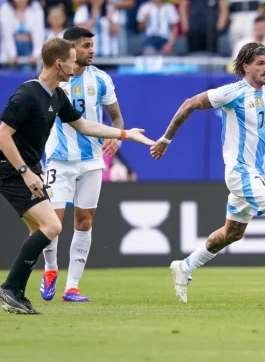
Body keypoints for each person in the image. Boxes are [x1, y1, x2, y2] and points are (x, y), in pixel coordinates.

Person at [150, 42, 265, 305]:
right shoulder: (233, 93)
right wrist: (166, 139)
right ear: (246, 66)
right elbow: (190, 103)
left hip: (255, 174)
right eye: (260, 63)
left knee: (232, 233)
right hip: (240, 173)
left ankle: (185, 266)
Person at [0, 38, 154, 315]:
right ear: (59, 63)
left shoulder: (57, 95)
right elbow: (2, 135)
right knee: (52, 226)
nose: (75, 64)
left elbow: (83, 125)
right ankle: (11, 288)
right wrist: (25, 173)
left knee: (40, 228)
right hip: (11, 169)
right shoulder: (27, 94)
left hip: (29, 168)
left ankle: (15, 291)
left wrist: (125, 134)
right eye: (71, 60)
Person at [38, 27, 125, 303]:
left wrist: (118, 139)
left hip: (91, 161)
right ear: (71, 48)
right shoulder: (55, 79)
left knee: (84, 222)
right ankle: (50, 270)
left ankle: (72, 287)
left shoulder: (100, 79)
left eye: (92, 45)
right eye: (86, 45)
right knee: (53, 223)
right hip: (59, 161)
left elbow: (116, 118)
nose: (92, 50)